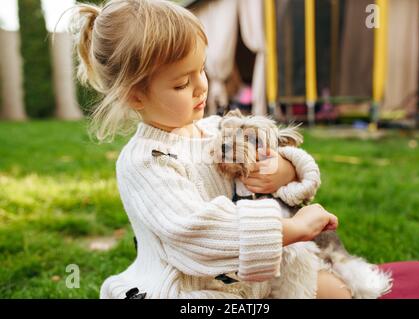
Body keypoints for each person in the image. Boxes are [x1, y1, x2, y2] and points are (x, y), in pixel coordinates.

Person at [70, 0, 351, 299]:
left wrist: (284, 170)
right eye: (181, 84)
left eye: (201, 70)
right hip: (191, 288)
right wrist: (292, 230)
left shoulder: (218, 128)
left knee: (338, 292)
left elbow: (277, 148)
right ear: (135, 97)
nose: (200, 87)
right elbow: (198, 235)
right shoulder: (145, 162)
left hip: (258, 275)